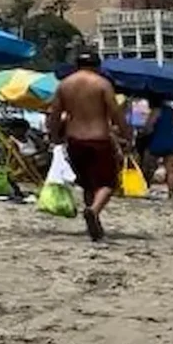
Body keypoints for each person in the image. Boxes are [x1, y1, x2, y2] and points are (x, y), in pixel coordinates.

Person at [47, 50, 127, 241]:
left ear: (77, 66)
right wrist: (126, 133)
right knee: (108, 183)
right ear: (97, 66)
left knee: (88, 184)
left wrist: (54, 135)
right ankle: (94, 210)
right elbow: (115, 111)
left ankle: (93, 220)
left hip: (74, 139)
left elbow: (54, 114)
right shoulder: (102, 84)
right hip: (98, 138)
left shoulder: (65, 85)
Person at [139, 94, 173, 199]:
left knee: (148, 166)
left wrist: (141, 133)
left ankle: (146, 187)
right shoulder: (171, 111)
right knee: (170, 170)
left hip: (158, 141)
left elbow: (148, 128)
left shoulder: (156, 111)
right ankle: (171, 193)